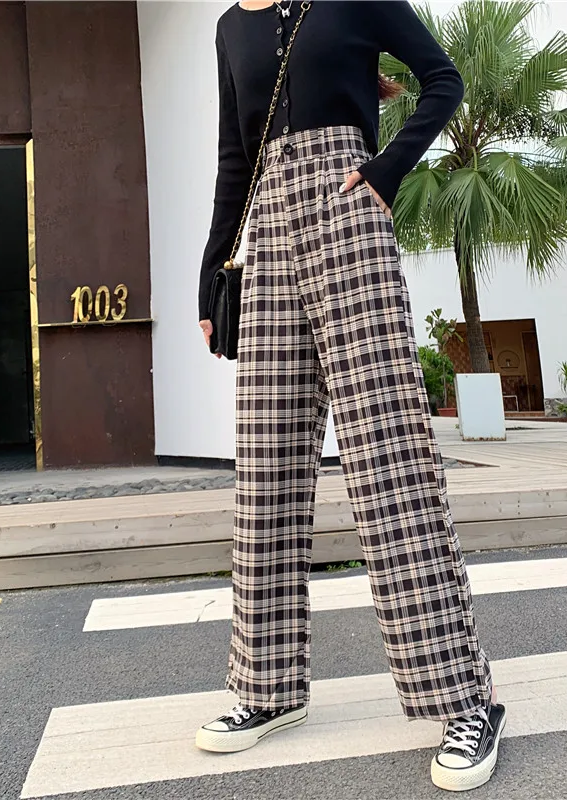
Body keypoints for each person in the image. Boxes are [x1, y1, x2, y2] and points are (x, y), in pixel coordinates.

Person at [195, 0, 504, 792]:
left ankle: (465, 700)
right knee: (265, 471)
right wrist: (212, 272)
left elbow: (443, 79)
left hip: (349, 214)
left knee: (388, 462)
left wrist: (385, 170)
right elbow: (235, 159)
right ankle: (268, 688)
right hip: (268, 235)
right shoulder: (229, 27)